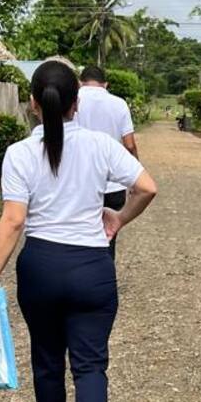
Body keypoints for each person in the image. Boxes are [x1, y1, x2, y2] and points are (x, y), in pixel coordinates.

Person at [0, 61, 158, 402]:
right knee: (91, 363)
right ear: (77, 102)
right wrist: (118, 218)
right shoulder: (100, 145)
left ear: (34, 104)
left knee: (47, 355)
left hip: (40, 266)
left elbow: (13, 221)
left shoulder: (18, 154)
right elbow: (147, 187)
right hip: (92, 266)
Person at [74, 65, 138, 259]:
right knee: (109, 233)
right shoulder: (119, 104)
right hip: (112, 184)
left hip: (79, 182)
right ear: (106, 84)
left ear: (80, 81)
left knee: (78, 233)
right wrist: (134, 174)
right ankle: (104, 274)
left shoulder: (73, 100)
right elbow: (129, 144)